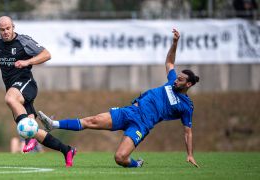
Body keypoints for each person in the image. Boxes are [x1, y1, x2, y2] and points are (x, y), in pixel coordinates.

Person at [38, 29, 200, 168]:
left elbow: (188, 132)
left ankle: (136, 164)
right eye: (177, 77)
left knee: (120, 158)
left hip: (141, 124)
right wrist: (175, 43)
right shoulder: (172, 82)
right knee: (91, 120)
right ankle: (53, 124)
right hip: (129, 112)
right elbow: (170, 62)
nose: (176, 80)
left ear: (189, 84)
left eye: (180, 80)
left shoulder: (186, 106)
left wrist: (190, 154)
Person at [0, 16, 76, 167]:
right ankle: (66, 150)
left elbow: (46, 54)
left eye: (8, 28)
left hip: (26, 84)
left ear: (13, 27)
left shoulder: (24, 41)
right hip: (15, 90)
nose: (6, 32)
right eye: (2, 29)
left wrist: (27, 61)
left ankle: (29, 139)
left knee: (10, 99)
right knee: (32, 129)